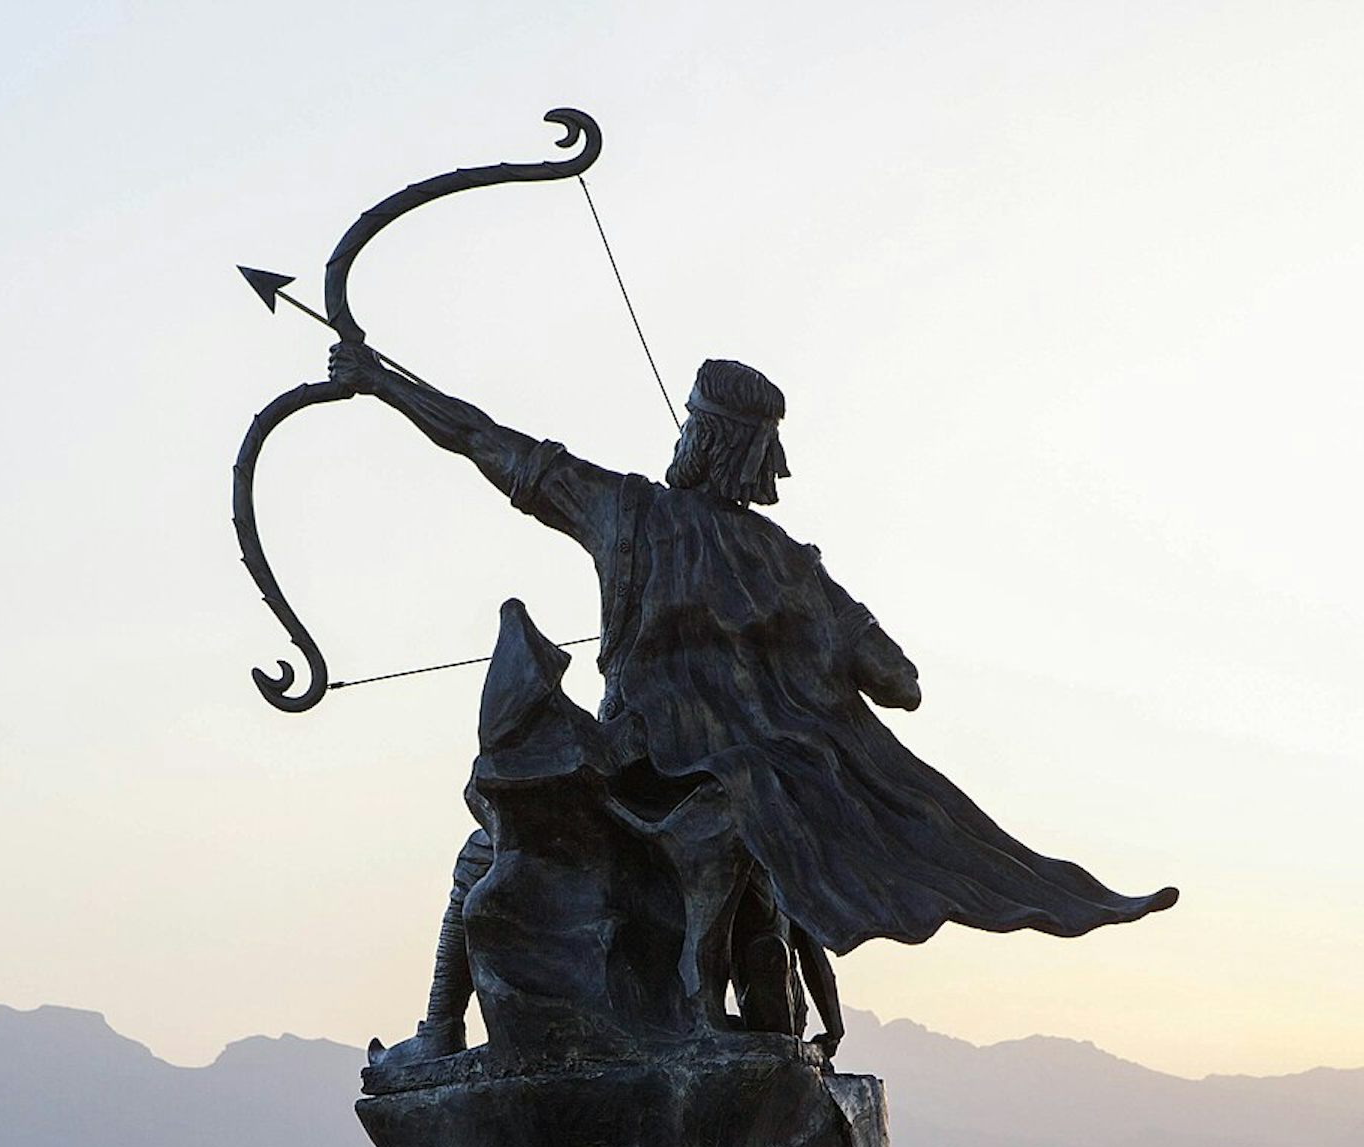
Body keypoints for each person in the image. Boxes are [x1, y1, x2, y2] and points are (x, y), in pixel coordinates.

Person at [333, 341, 1177, 1066]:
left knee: (479, 860)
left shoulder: (626, 512)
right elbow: (902, 683)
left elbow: (490, 444)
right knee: (752, 897)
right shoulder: (793, 566)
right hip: (752, 802)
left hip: (623, 781)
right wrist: (818, 648)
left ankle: (439, 1028)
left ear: (701, 439)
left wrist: (379, 379)